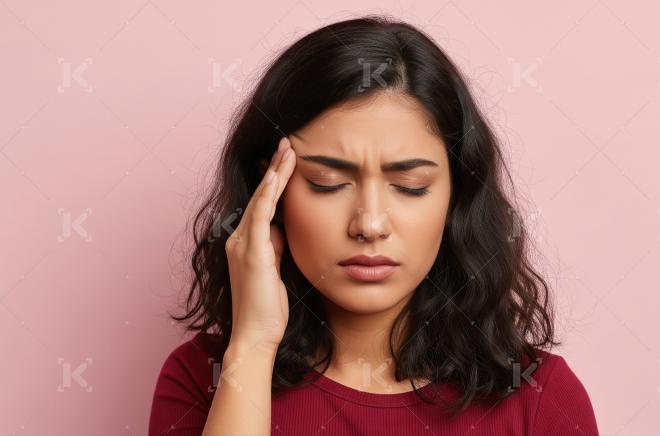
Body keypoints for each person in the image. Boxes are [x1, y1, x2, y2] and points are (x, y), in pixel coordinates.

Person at [148, 15, 598, 435]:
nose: (370, 224)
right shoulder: (202, 378)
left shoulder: (539, 398)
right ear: (272, 192)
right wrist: (251, 347)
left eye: (410, 186)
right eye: (327, 183)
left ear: (456, 196)